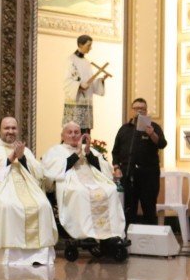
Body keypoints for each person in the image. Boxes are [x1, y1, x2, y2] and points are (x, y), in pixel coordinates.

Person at [0, 117, 57, 266]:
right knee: (7, 206)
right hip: (0, 187)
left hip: (27, 187)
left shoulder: (26, 151)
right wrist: (11, 158)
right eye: (7, 128)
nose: (10, 131)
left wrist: (22, 157)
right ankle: (9, 257)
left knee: (43, 205)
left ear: (17, 130)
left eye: (13, 128)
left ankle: (38, 256)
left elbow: (37, 174)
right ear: (0, 130)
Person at [42, 121, 125, 240]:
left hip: (94, 182)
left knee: (110, 190)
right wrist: (76, 154)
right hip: (71, 184)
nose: (73, 135)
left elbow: (104, 170)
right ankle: (85, 232)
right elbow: (53, 172)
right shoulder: (56, 151)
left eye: (76, 132)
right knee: (80, 192)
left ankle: (112, 233)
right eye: (69, 132)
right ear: (62, 136)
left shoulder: (89, 149)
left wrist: (88, 153)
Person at [112, 98, 167, 227]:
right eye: (137, 109)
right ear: (132, 111)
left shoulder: (153, 127)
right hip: (128, 174)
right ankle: (128, 239)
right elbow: (115, 152)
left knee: (148, 208)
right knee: (129, 209)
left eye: (143, 109)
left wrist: (152, 134)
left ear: (146, 111)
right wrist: (116, 167)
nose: (140, 111)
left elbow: (162, 144)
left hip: (148, 175)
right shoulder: (124, 129)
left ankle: (150, 241)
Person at [63, 34, 106, 133]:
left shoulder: (87, 62)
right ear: (80, 45)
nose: (90, 48)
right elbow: (67, 81)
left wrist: (100, 81)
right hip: (75, 103)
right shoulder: (71, 60)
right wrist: (79, 86)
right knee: (73, 131)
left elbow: (90, 82)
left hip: (86, 102)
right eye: (88, 45)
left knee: (85, 132)